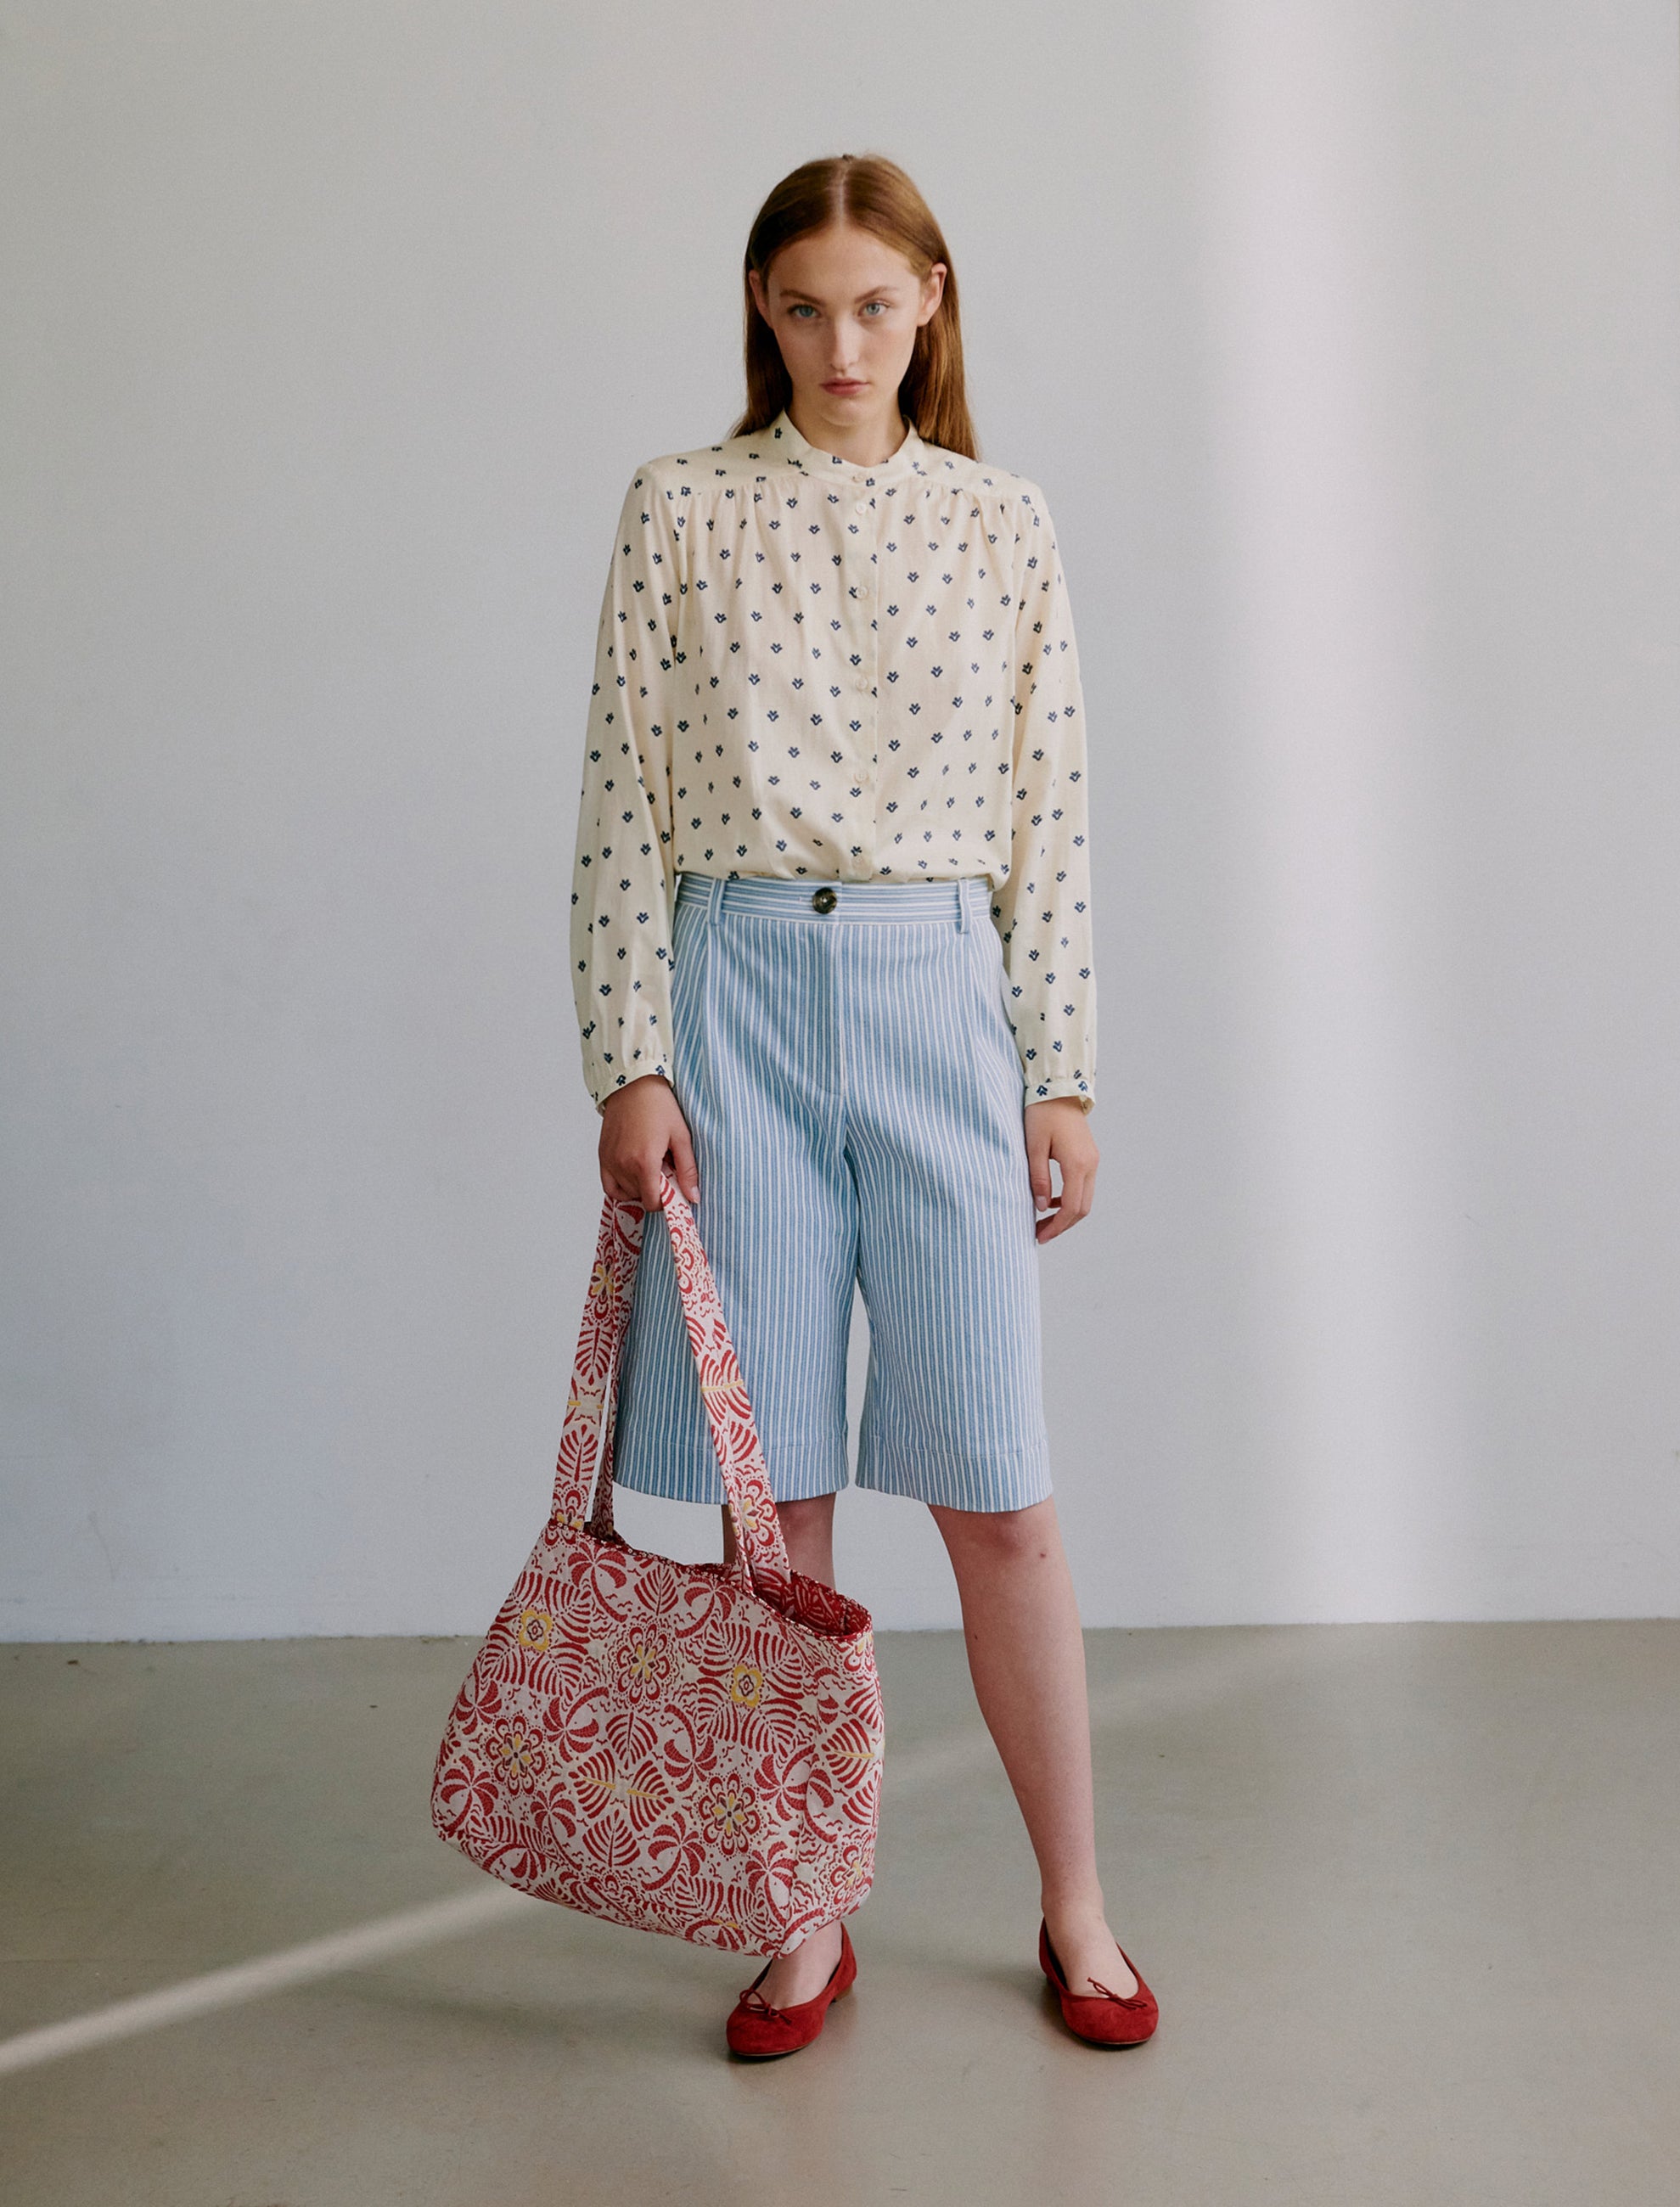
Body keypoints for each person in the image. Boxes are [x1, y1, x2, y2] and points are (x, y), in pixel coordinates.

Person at [569, 151, 1156, 2057]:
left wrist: (1057, 1068)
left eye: (875, 305)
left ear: (932, 305)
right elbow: (625, 804)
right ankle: (802, 1913)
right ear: (762, 308)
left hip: (935, 996)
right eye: (804, 305)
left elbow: (1048, 811)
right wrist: (632, 1057)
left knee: (996, 1487)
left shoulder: (1003, 524)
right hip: (733, 988)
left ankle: (1075, 1902)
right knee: (779, 1505)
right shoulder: (677, 510)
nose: (840, 342)